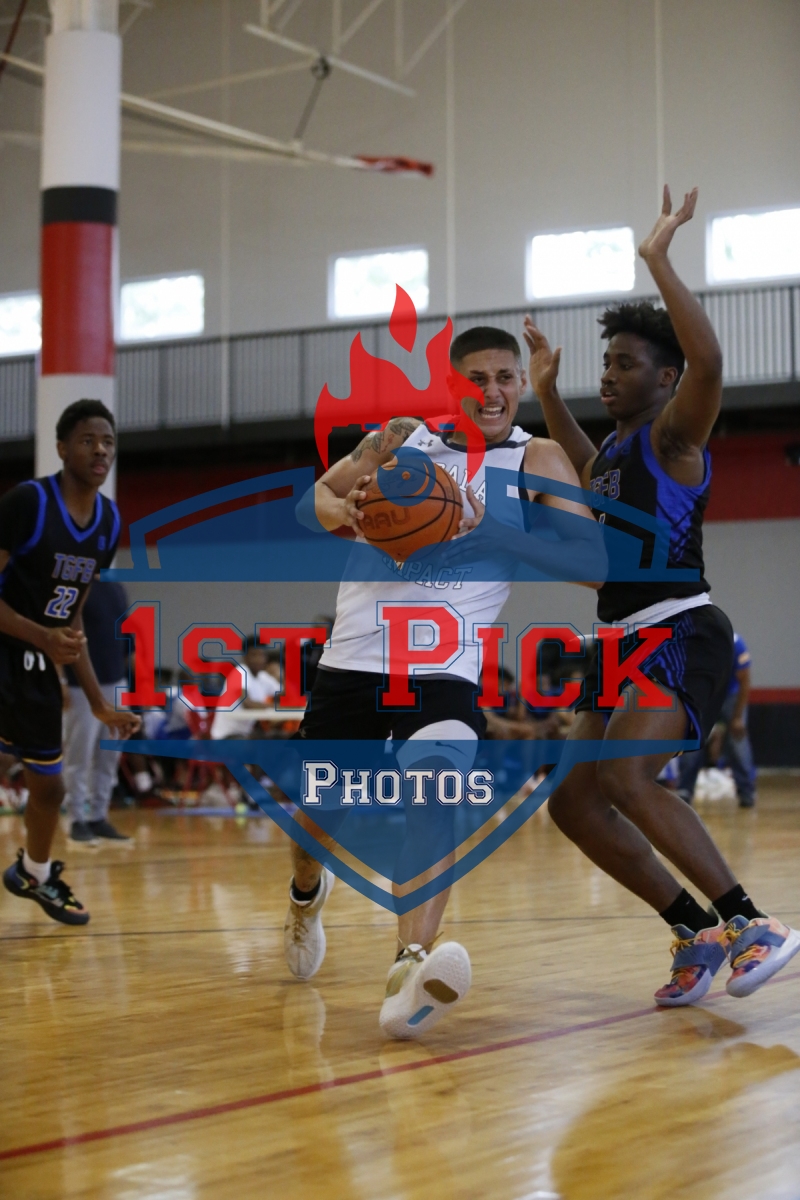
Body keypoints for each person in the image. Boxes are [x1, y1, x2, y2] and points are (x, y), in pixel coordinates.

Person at [285, 325, 601, 1040]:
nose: (492, 392)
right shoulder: (402, 437)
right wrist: (347, 510)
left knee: (436, 793)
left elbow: (595, 564)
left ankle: (409, 968)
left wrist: (500, 535)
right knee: (316, 823)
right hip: (353, 660)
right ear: (452, 385)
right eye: (476, 379)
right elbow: (314, 502)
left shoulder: (537, 458)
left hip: (444, 667)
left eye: (505, 377)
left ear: (520, 385)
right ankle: (307, 891)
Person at [525, 186, 799, 1006]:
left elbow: (710, 363)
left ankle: (752, 922)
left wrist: (658, 260)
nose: (609, 373)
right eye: (606, 362)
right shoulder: (614, 453)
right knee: (574, 805)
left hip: (677, 629)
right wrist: (547, 392)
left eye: (625, 363)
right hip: (618, 640)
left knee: (628, 777)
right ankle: (694, 929)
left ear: (666, 377)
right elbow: (585, 469)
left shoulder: (675, 436)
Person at [0, 400, 140, 925]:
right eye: (87, 440)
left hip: (36, 662)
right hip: (6, 647)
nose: (100, 449)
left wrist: (99, 703)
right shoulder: (27, 503)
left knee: (50, 787)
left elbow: (72, 617)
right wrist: (43, 636)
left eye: (108, 441)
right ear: (61, 448)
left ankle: (33, 875)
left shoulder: (108, 522)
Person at [64, 580, 131, 843]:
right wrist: (60, 680)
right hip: (79, 684)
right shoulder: (73, 588)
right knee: (79, 753)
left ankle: (99, 816)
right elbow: (61, 633)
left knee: (110, 754)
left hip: (115, 680)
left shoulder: (115, 589)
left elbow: (127, 634)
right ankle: (76, 818)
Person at [677, 630, 756, 807]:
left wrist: (737, 717)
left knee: (737, 741)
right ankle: (684, 790)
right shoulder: (694, 644)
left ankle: (747, 791)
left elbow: (745, 680)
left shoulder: (736, 644)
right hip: (705, 696)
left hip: (731, 696)